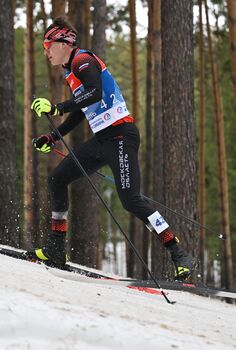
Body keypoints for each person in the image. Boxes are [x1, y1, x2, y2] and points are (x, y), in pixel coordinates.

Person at [27, 17, 196, 281]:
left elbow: (94, 92)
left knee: (130, 199)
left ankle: (179, 253)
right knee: (56, 179)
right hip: (102, 140)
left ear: (63, 43)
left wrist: (57, 107)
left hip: (121, 137)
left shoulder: (82, 60)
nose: (45, 51)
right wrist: (53, 137)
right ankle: (56, 247)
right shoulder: (70, 71)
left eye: (47, 45)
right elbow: (84, 108)